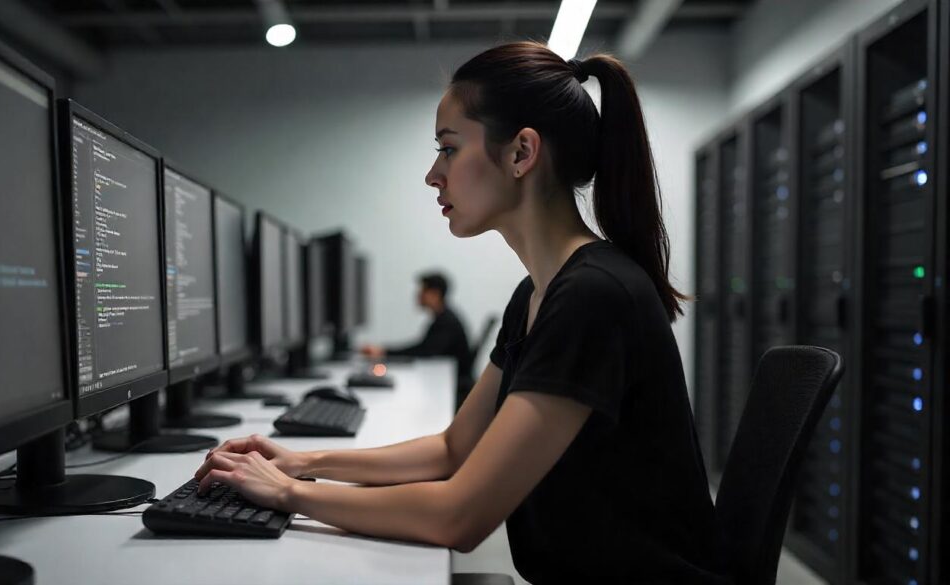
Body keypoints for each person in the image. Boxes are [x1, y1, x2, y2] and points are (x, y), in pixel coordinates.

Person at [194, 42, 726, 584]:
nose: (433, 174)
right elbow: (453, 450)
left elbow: (459, 517)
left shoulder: (593, 296)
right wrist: (302, 463)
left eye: (448, 149)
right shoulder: (538, 293)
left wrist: (288, 494)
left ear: (521, 153)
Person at [360, 272, 474, 406]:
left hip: (454, 388)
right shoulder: (444, 318)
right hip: (449, 382)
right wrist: (384, 351)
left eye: (422, 291)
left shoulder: (446, 322)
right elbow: (424, 347)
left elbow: (424, 351)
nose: (418, 295)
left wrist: (384, 352)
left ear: (435, 294)